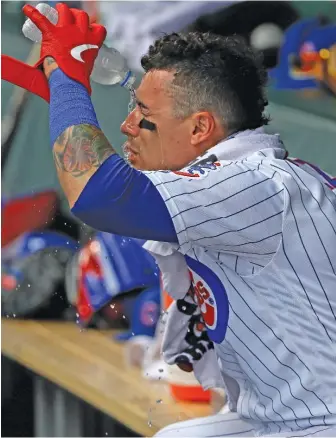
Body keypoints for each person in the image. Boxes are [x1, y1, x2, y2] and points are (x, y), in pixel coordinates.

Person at [7, 4, 336, 436]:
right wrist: (66, 105)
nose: (126, 125)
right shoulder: (241, 178)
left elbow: (99, 195)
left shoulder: (252, 183)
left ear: (201, 128)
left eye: (143, 112)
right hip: (283, 415)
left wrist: (70, 87)